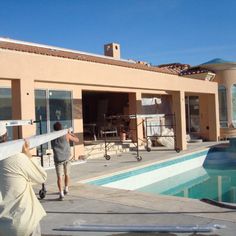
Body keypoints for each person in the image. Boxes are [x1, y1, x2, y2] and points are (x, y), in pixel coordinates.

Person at [0, 123, 47, 236]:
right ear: (6, 136)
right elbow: (41, 176)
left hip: (4, 228)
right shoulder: (16, 158)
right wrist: (28, 155)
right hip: (25, 223)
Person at [51, 122, 79, 200]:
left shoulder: (52, 137)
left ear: (54, 129)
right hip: (67, 158)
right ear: (61, 128)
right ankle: (66, 188)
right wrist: (71, 133)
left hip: (58, 159)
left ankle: (61, 194)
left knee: (59, 177)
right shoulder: (66, 135)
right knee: (67, 174)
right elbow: (77, 140)